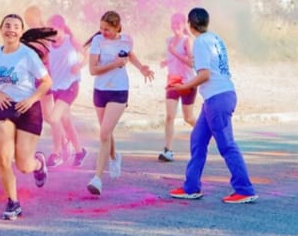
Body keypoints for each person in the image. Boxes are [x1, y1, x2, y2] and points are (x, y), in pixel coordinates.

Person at [169, 7, 258, 203]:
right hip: (218, 96)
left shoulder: (200, 42)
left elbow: (204, 74)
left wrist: (184, 86)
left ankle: (245, 189)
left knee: (227, 145)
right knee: (198, 139)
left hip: (217, 98)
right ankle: (191, 186)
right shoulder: (215, 38)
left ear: (190, 25)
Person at [0, 14, 55, 220]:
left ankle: (38, 164)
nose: (11, 30)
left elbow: (46, 82)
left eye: (16, 27)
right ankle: (13, 203)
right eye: (7, 26)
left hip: (28, 109)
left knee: (24, 165)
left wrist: (32, 99)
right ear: (1, 29)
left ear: (21, 32)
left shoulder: (27, 55)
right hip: (5, 108)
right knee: (3, 158)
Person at [85, 10, 154, 196]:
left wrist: (142, 68)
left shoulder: (126, 39)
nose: (102, 32)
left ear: (117, 28)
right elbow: (93, 70)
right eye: (100, 28)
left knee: (104, 133)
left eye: (107, 29)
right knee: (106, 133)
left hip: (119, 90)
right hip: (100, 91)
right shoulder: (98, 41)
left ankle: (97, 178)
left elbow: (129, 55)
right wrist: (114, 64)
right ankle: (115, 156)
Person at [46, 14, 87, 168]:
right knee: (66, 121)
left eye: (54, 31)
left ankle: (56, 153)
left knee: (53, 117)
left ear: (62, 29)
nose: (52, 35)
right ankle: (79, 151)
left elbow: (86, 55)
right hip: (56, 87)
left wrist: (80, 66)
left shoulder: (70, 40)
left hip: (71, 85)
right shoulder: (48, 44)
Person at [159, 12, 197, 162]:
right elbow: (172, 59)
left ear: (184, 25)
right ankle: (168, 150)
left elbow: (191, 63)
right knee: (169, 116)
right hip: (173, 82)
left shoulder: (188, 41)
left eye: (178, 24)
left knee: (188, 117)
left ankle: (205, 131)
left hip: (187, 82)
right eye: (173, 24)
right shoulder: (169, 40)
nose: (175, 27)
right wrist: (166, 62)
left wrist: (174, 53)